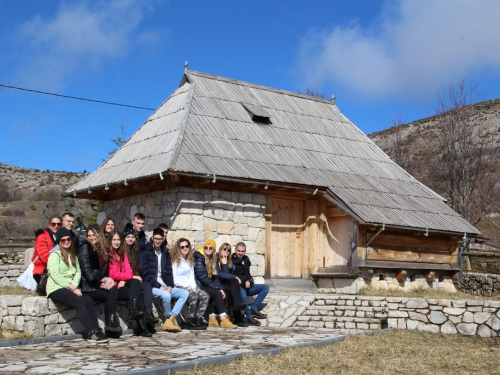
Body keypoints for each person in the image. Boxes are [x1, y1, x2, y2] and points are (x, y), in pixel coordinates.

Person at [46, 227, 108, 342]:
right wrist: (71, 288)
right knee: (80, 303)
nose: (66, 242)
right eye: (63, 240)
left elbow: (78, 272)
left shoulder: (73, 256)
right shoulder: (55, 255)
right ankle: (91, 331)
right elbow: (55, 275)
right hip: (57, 288)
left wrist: (74, 285)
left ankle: (97, 329)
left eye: (68, 239)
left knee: (88, 300)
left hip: (71, 287)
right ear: (59, 242)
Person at [141, 228, 189, 333]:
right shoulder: (146, 252)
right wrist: (159, 287)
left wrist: (170, 285)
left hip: (165, 285)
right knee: (166, 295)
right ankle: (168, 319)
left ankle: (171, 318)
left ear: (163, 239)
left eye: (160, 239)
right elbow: (146, 274)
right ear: (152, 238)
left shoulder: (165, 253)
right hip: (152, 286)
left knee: (184, 293)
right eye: (156, 239)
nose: (157, 241)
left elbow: (168, 272)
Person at [107, 230, 152, 337]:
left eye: (118, 240)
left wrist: (126, 279)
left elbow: (128, 270)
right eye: (114, 240)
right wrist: (129, 277)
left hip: (122, 284)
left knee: (136, 286)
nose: (117, 242)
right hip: (113, 287)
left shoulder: (122, 254)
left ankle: (135, 313)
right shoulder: (108, 254)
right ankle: (140, 325)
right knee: (136, 285)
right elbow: (112, 274)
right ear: (110, 241)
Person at [77, 224, 121, 333]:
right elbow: (87, 272)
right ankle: (110, 322)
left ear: (99, 235)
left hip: (98, 283)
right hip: (88, 287)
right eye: (89, 235)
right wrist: (98, 283)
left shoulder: (101, 249)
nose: (91, 237)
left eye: (94, 235)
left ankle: (111, 322)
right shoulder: (85, 247)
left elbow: (102, 271)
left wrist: (105, 280)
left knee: (113, 289)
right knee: (109, 295)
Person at [194, 239, 240, 329]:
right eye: (206, 247)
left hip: (209, 284)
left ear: (213, 249)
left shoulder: (212, 259)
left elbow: (214, 277)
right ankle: (223, 319)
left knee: (224, 292)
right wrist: (218, 288)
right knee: (218, 293)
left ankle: (213, 318)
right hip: (199, 285)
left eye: (210, 248)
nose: (208, 249)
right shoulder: (200, 259)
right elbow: (203, 278)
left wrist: (225, 264)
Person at [121, 225, 159, 331]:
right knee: (138, 292)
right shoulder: (121, 251)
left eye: (132, 237)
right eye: (128, 237)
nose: (130, 239)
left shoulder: (136, 252)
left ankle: (148, 313)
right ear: (124, 238)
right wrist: (132, 277)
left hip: (135, 280)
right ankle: (142, 327)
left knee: (146, 285)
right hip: (125, 281)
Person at [170, 238, 209, 330]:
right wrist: (186, 286)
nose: (185, 248)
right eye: (182, 247)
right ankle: (190, 319)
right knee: (193, 296)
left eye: (186, 246)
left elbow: (191, 276)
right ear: (178, 248)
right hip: (180, 285)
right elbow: (174, 278)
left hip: (190, 285)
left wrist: (194, 286)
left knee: (205, 296)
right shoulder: (175, 261)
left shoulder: (190, 260)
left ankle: (198, 318)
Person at [231, 242, 270, 326]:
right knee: (242, 292)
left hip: (247, 285)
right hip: (238, 287)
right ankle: (249, 316)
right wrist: (243, 284)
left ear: (245, 251)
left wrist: (251, 281)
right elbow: (232, 277)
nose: (240, 253)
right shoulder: (231, 261)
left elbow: (247, 274)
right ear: (235, 250)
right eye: (238, 251)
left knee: (265, 287)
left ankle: (254, 308)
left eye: (242, 251)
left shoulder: (246, 259)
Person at [215, 243, 249, 327]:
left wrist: (225, 264)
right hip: (216, 284)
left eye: (228, 250)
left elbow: (226, 275)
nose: (226, 251)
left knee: (233, 283)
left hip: (224, 283)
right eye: (224, 249)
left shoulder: (227, 259)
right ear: (220, 250)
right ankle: (238, 317)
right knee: (234, 282)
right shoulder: (215, 259)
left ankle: (237, 313)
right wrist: (234, 276)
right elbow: (218, 274)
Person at [32, 215, 61, 286]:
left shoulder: (59, 237)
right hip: (42, 271)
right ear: (49, 225)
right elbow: (44, 258)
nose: (56, 226)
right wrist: (59, 247)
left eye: (59, 224)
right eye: (53, 224)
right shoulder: (42, 237)